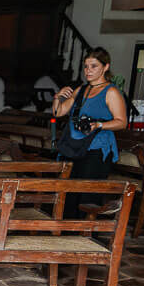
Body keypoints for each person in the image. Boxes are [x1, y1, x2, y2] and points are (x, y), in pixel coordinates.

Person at [52, 47, 128, 219]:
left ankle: (86, 235)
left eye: (93, 66)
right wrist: (58, 97)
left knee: (88, 194)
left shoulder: (111, 92)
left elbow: (122, 122)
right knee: (69, 192)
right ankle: (67, 233)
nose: (88, 71)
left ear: (105, 67)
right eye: (86, 66)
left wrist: (99, 125)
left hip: (97, 149)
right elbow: (58, 112)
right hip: (75, 146)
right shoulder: (81, 90)